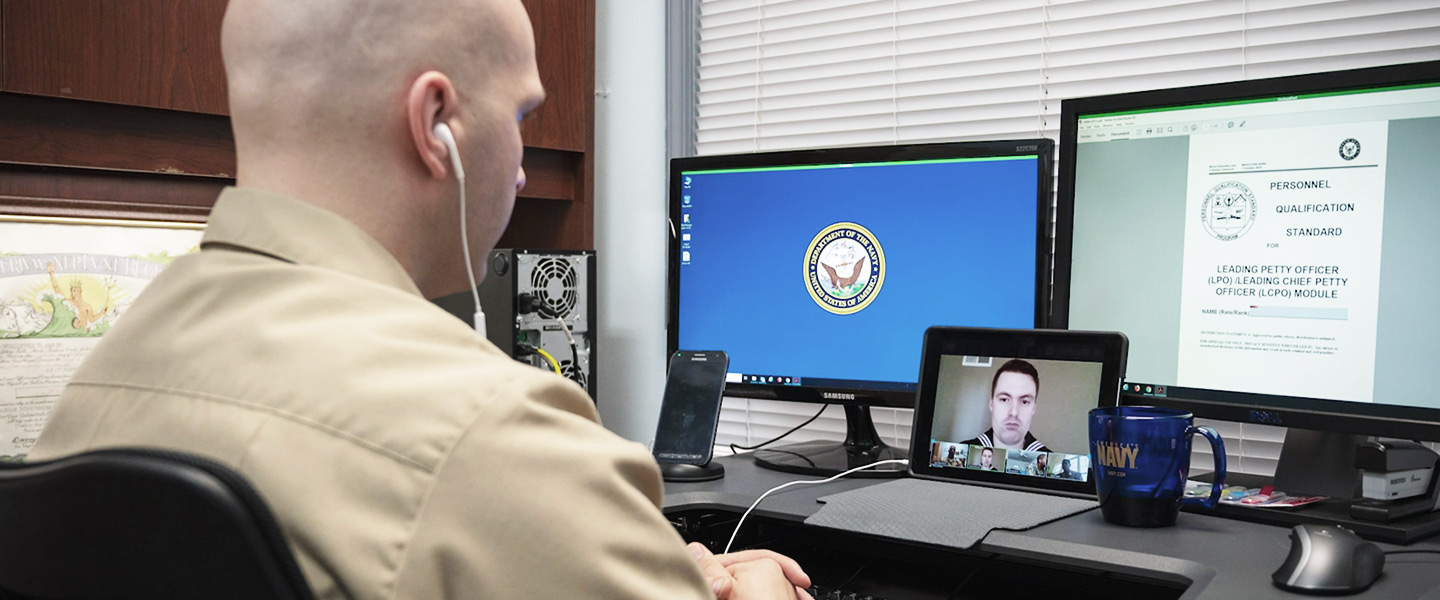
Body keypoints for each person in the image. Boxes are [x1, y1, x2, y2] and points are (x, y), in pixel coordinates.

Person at [27, 1, 811, 598]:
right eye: (520, 116)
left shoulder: (103, 380)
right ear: (434, 123)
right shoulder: (489, 429)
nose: (523, 172)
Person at [962, 359, 1050, 452]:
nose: (1014, 412)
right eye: (1004, 400)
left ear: (1034, 408)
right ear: (992, 405)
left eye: (1024, 402)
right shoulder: (963, 451)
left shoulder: (1054, 465)